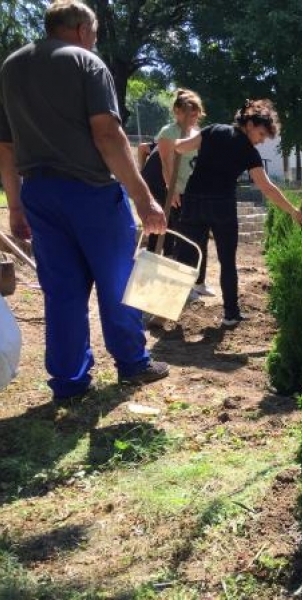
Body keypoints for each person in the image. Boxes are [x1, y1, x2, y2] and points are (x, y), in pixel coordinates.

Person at [0, 0, 169, 404]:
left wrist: (16, 205)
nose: (94, 42)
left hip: (39, 193)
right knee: (116, 282)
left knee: (61, 292)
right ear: (80, 31)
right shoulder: (85, 62)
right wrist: (144, 200)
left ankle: (69, 381)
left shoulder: (11, 67)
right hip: (91, 191)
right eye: (93, 34)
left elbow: (5, 146)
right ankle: (132, 363)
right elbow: (108, 136)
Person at [174, 98, 302, 326]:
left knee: (185, 258)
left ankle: (167, 309)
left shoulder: (213, 130)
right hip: (222, 207)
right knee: (227, 261)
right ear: (250, 124)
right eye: (262, 134)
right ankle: (230, 314)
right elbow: (267, 187)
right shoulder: (248, 151)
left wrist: (170, 156)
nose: (261, 141)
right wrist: (292, 211)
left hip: (193, 202)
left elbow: (180, 146)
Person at [153, 89, 207, 282]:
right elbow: (166, 163)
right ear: (177, 111)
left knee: (200, 238)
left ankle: (199, 281)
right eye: (189, 114)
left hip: (197, 193)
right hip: (179, 192)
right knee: (184, 237)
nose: (193, 118)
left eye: (196, 114)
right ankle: (182, 282)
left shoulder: (197, 133)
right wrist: (172, 189)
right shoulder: (168, 133)